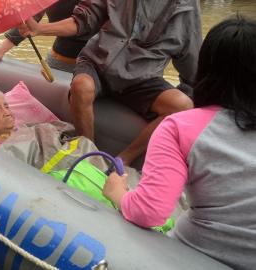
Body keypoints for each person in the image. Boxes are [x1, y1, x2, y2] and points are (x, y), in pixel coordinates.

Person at [19, 0, 202, 167]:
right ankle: (88, 155)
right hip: (98, 64)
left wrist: (193, 91)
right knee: (81, 87)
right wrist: (39, 30)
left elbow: (189, 49)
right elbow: (82, 21)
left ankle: (122, 160)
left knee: (183, 106)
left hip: (142, 77)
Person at [103, 16, 256, 270]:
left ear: (206, 67)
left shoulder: (179, 127)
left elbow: (149, 213)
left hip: (196, 253)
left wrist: (117, 192)